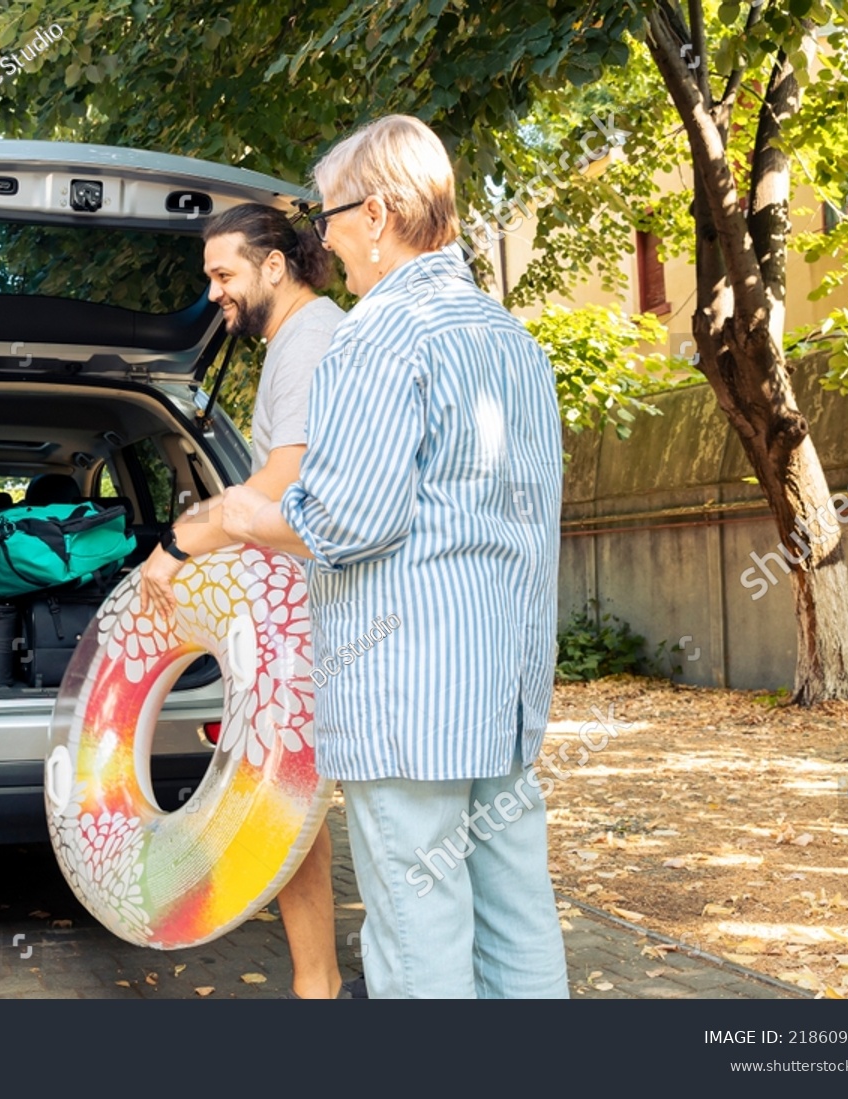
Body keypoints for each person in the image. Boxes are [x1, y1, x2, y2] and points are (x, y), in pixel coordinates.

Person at [220, 115, 569, 999]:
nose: (322, 239)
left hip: (407, 695)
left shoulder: (376, 336)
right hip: (505, 684)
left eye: (328, 216)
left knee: (419, 940)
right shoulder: (511, 340)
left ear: (374, 213)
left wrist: (246, 515)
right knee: (517, 917)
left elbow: (344, 519)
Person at [139, 203, 350, 999]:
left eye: (223, 275)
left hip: (331, 616)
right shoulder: (298, 338)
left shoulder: (307, 340)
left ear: (273, 264)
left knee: (300, 797)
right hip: (306, 612)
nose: (214, 293)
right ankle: (317, 981)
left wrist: (179, 541)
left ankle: (326, 984)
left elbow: (281, 485)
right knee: (294, 799)